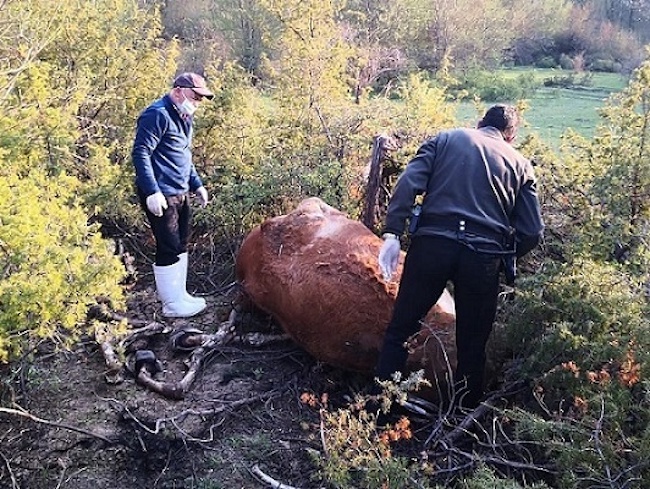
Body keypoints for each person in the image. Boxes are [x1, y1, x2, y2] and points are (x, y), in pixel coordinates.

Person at [375, 104, 544, 409]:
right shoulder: (521, 165)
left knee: (401, 329)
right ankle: (461, 420)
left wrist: (392, 233)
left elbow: (408, 183)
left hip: (432, 246)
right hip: (482, 258)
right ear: (511, 135)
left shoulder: (444, 139)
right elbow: (532, 231)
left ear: (479, 123)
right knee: (472, 346)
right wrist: (505, 254)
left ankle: (384, 410)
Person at [132, 72, 214, 318]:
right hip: (162, 193)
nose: (198, 102)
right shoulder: (157, 114)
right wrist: (152, 191)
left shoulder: (184, 117)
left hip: (181, 190)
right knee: (167, 246)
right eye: (195, 96)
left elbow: (183, 155)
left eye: (201, 98)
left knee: (180, 244)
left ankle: (180, 295)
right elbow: (141, 153)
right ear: (179, 90)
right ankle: (171, 305)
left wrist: (196, 184)